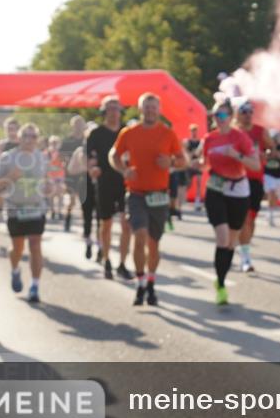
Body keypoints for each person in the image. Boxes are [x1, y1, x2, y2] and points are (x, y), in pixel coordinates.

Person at [109, 93, 185, 306]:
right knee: (139, 235)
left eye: (153, 107)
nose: (150, 110)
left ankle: (151, 281)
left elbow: (183, 160)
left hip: (159, 195)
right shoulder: (129, 133)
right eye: (146, 107)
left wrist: (170, 161)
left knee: (153, 244)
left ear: (159, 110)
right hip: (136, 194)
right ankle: (140, 280)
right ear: (140, 110)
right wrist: (124, 170)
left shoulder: (167, 134)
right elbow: (113, 155)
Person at [202, 100, 261, 305]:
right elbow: (203, 163)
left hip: (238, 191)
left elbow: (255, 164)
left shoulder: (240, 137)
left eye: (223, 115)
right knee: (222, 237)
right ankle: (220, 284)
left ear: (231, 117)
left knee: (230, 243)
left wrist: (237, 155)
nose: (219, 119)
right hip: (215, 190)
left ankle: (221, 281)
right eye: (216, 115)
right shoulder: (209, 138)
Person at [0, 122, 50, 304]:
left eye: (33, 136)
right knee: (17, 247)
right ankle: (15, 269)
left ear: (37, 139)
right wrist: (10, 177)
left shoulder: (42, 158)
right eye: (25, 136)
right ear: (19, 138)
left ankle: (34, 286)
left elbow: (49, 180)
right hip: (15, 208)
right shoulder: (8, 158)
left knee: (35, 244)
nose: (29, 140)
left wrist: (51, 187)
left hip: (36, 207)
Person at [87, 97, 132, 279]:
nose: (113, 113)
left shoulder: (127, 132)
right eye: (110, 109)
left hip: (125, 183)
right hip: (105, 182)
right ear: (104, 112)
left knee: (126, 224)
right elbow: (90, 157)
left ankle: (122, 263)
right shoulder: (96, 133)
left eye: (116, 109)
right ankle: (106, 259)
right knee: (106, 224)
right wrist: (92, 168)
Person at [234, 100, 271, 273]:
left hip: (256, 181)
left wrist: (266, 155)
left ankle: (244, 246)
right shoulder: (233, 133)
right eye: (244, 112)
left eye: (250, 112)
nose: (247, 115)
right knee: (244, 219)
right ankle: (245, 257)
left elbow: (274, 150)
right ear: (237, 114)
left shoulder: (260, 132)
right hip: (237, 180)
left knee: (251, 220)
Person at [60, 116, 87, 233]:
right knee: (71, 200)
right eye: (76, 124)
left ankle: (86, 224)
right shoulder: (67, 140)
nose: (78, 127)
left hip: (84, 174)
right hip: (71, 174)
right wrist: (67, 161)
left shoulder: (87, 139)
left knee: (84, 201)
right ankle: (68, 219)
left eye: (80, 124)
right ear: (72, 126)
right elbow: (61, 156)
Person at [262, 133, 280, 226]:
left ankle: (271, 211)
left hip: (279, 176)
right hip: (268, 174)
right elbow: (261, 159)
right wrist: (268, 156)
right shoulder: (265, 147)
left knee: (276, 195)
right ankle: (270, 215)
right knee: (271, 192)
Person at [181, 124, 203, 213]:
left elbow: (200, 154)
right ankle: (182, 201)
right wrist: (191, 155)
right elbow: (186, 153)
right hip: (189, 165)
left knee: (198, 183)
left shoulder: (200, 142)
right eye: (192, 130)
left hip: (197, 165)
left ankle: (197, 202)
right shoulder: (187, 141)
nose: (194, 132)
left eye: (195, 130)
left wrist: (196, 155)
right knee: (187, 184)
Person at [46, 135, 66, 221]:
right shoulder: (47, 153)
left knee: (60, 194)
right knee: (51, 195)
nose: (54, 145)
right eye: (52, 143)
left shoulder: (61, 153)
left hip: (60, 176)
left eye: (56, 143)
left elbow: (64, 163)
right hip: (50, 176)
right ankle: (52, 211)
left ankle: (60, 211)